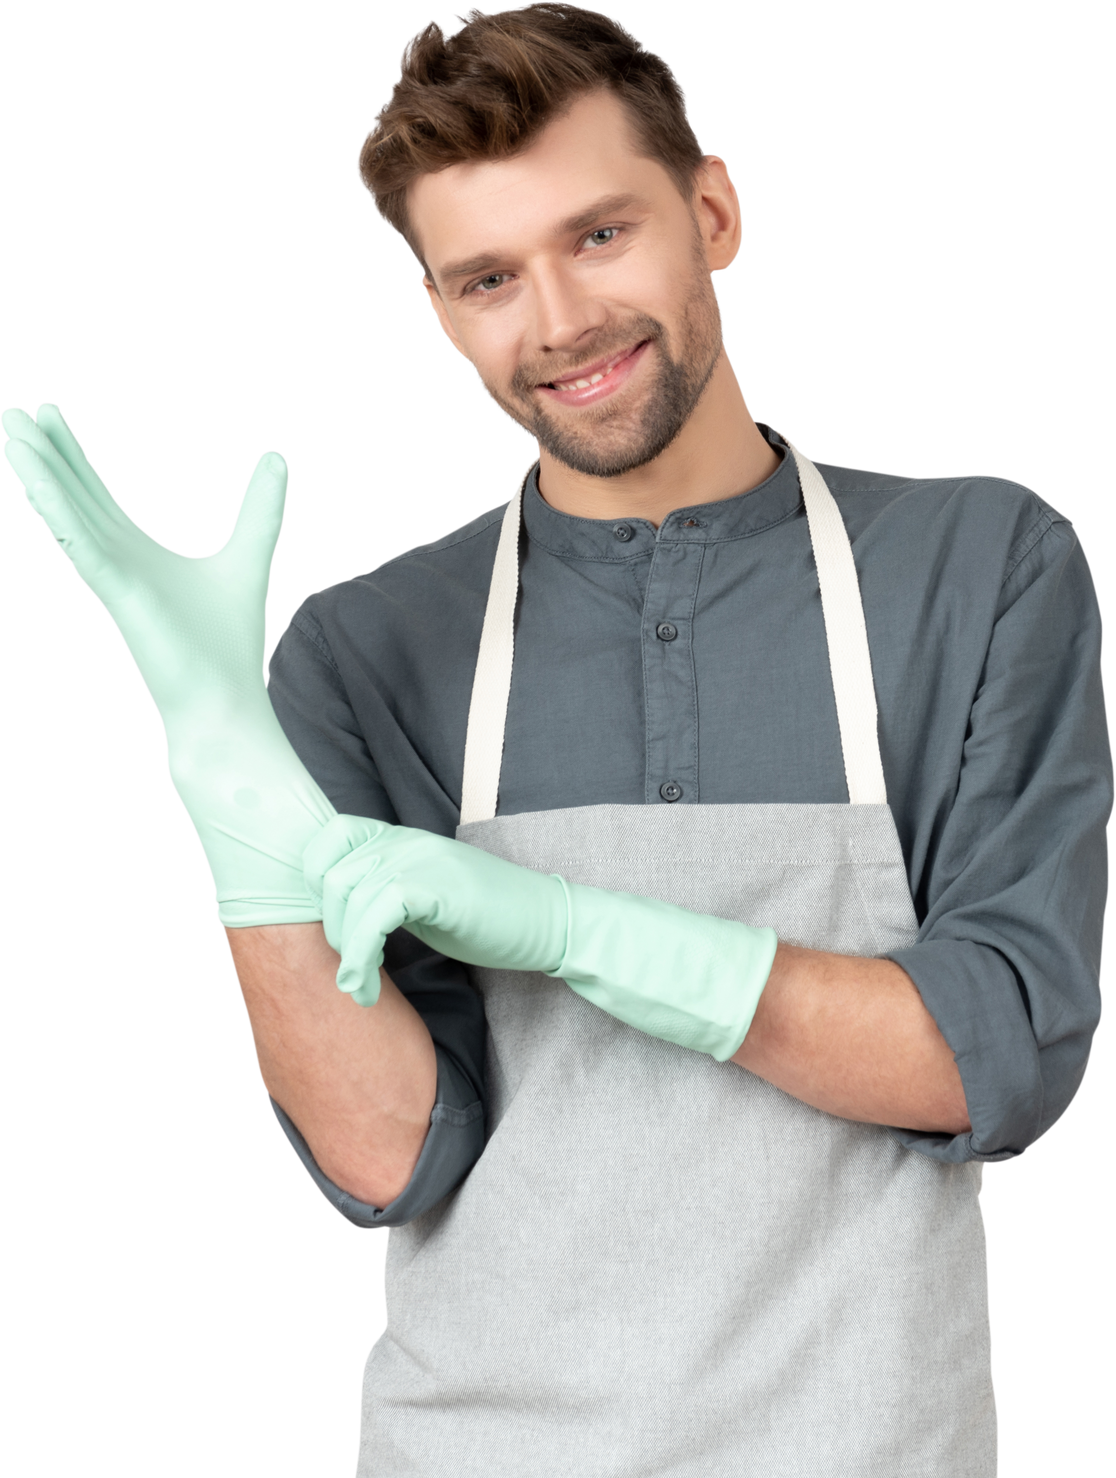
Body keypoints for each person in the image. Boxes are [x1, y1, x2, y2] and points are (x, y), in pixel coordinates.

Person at [4, 5, 1108, 1475]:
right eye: (487, 279)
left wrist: (574, 930)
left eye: (600, 236)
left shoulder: (973, 567)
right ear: (442, 309)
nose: (561, 324)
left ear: (711, 212)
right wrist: (231, 803)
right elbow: (392, 1156)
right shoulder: (368, 648)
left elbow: (999, 1055)